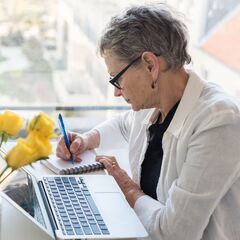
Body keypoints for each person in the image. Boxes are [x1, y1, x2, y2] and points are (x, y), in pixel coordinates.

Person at [56, 3, 240, 240]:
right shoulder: (155, 101)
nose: (117, 92)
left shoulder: (219, 123)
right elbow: (124, 124)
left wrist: (129, 189)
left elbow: (175, 233)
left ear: (150, 65)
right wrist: (85, 139)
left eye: (117, 79)